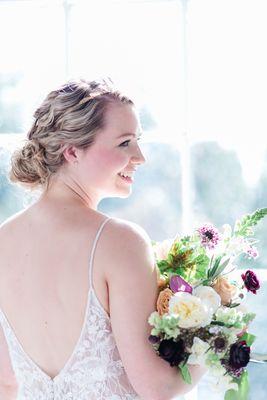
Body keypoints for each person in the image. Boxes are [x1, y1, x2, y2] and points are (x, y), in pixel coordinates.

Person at [0, 78, 206, 400]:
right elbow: (157, 388)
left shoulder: (3, 240)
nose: (140, 157)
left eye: (137, 141)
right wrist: (217, 340)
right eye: (125, 143)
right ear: (72, 152)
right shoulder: (120, 243)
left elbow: (5, 382)